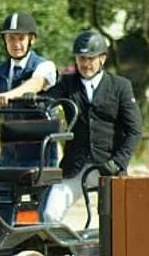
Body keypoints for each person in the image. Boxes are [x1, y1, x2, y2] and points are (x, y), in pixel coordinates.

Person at [41, 30, 142, 223]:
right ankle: (61, 253)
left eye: (90, 58)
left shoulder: (120, 86)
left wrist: (118, 161)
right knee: (50, 213)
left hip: (109, 165)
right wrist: (36, 96)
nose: (85, 64)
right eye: (81, 58)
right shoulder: (67, 83)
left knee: (119, 221)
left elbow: (135, 130)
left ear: (102, 58)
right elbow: (47, 100)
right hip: (75, 166)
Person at [0, 12, 58, 166]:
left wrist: (9, 95)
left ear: (31, 39)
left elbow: (36, 83)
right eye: (11, 38)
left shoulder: (45, 66)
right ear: (5, 40)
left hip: (41, 153)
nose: (16, 44)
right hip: (8, 153)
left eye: (21, 38)